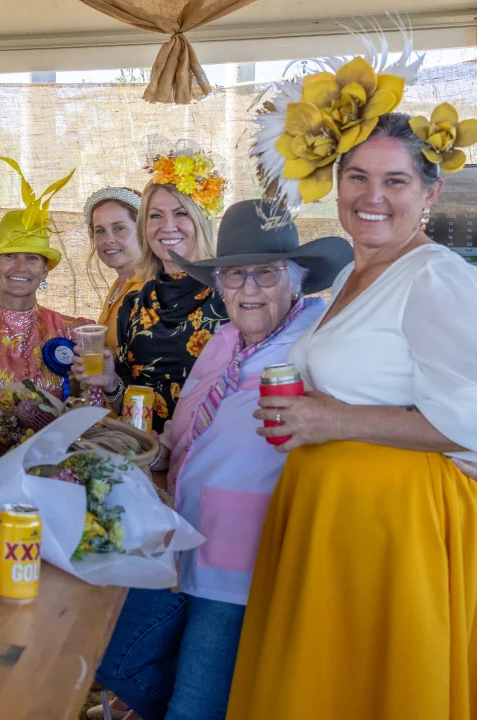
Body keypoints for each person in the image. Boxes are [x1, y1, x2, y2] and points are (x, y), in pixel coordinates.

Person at [227, 52, 477, 718]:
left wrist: (329, 421)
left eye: (395, 181)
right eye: (357, 176)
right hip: (328, 514)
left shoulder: (435, 277)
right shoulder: (344, 279)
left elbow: (471, 422)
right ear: (335, 185)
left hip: (394, 526)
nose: (373, 196)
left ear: (430, 194)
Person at [87, 200, 352, 720]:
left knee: (196, 703)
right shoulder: (226, 340)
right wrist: (150, 446)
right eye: (236, 275)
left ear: (296, 281)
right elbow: (190, 428)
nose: (249, 289)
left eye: (266, 274)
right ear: (221, 284)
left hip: (242, 555)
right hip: (184, 530)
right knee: (119, 656)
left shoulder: (318, 343)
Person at [84, 152, 228, 432]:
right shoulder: (134, 305)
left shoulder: (233, 297)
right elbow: (128, 404)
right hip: (146, 461)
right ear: (145, 227)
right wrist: (112, 384)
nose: (167, 226)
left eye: (180, 213)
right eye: (156, 216)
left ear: (200, 219)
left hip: (212, 462)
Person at [0, 160, 104, 405]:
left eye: (32, 258)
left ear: (44, 271)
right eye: (9, 256)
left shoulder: (74, 331)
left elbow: (93, 407)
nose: (20, 266)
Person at [84, 187, 145, 349]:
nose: (108, 239)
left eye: (119, 228)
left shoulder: (152, 288)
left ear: (144, 230)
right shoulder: (120, 285)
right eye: (100, 231)